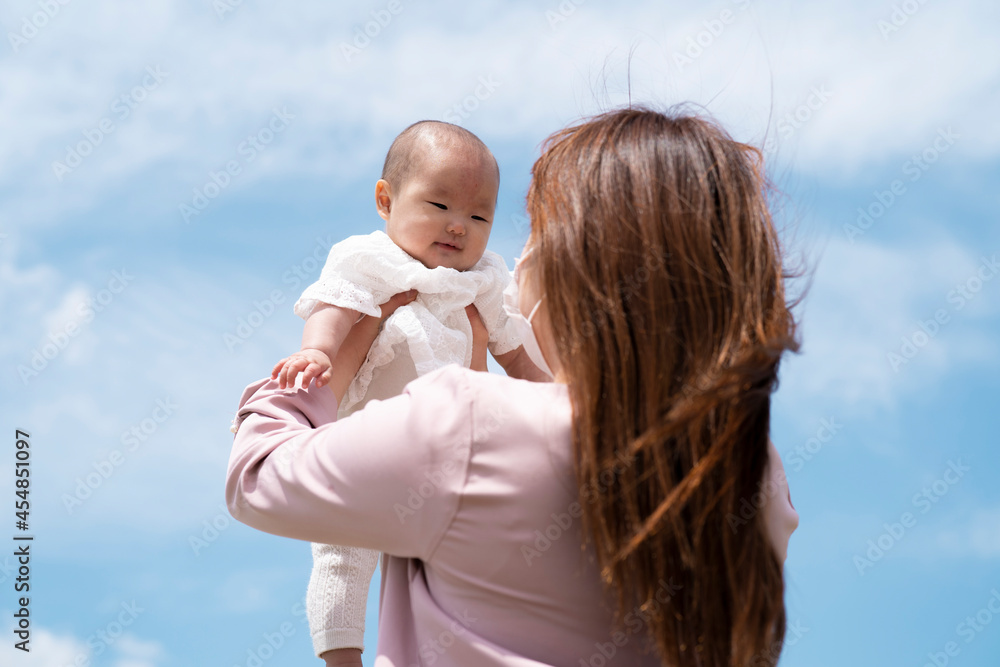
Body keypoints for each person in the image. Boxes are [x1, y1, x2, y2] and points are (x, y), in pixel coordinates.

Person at [227, 106, 801, 667]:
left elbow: (255, 479)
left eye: (533, 231)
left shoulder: (465, 423)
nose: (517, 255)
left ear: (579, 265)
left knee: (340, 557)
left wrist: (335, 367)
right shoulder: (758, 474)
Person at [267, 120, 545, 663]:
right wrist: (318, 353)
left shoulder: (483, 280)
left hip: (450, 454)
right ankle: (342, 659)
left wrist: (556, 395)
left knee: (463, 559)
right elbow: (336, 309)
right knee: (342, 554)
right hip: (368, 441)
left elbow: (516, 356)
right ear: (385, 200)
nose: (458, 226)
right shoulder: (371, 262)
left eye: (479, 215)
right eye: (439, 205)